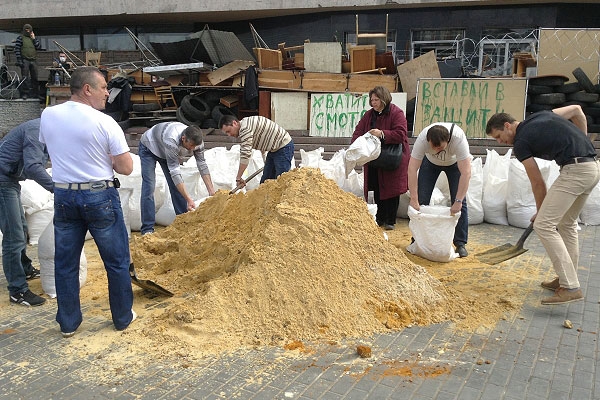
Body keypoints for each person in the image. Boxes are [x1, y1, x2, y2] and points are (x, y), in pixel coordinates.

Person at [39, 66, 136, 337]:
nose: (107, 92)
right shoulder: (104, 122)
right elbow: (126, 167)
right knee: (116, 261)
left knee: (66, 263)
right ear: (87, 89)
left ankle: (68, 323)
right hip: (99, 196)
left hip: (63, 196)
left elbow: (53, 147)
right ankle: (122, 317)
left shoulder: (48, 114)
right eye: (104, 87)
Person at [486, 105, 600, 305]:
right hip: (591, 167)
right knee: (566, 224)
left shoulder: (520, 143)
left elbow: (537, 182)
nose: (500, 142)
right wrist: (581, 139)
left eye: (498, 136)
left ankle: (570, 287)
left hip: (575, 171)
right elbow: (576, 110)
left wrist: (541, 211)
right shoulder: (540, 116)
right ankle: (566, 278)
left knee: (543, 225)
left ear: (507, 125)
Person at [0, 118, 53, 307]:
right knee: (14, 236)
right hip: (2, 181)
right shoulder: (37, 129)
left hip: (10, 180)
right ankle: (17, 290)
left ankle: (25, 268)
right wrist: (56, 188)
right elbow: (33, 166)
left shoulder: (47, 131)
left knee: (21, 228)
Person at [139, 121, 216, 235]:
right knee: (149, 186)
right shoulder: (171, 140)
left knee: (176, 187)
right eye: (191, 146)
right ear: (183, 138)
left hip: (166, 151)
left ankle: (182, 222)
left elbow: (202, 164)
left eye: (195, 146)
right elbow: (175, 172)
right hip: (149, 148)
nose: (192, 149)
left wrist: (212, 192)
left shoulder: (197, 142)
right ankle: (147, 229)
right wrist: (189, 199)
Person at [407, 123, 472, 257]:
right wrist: (414, 198)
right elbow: (412, 169)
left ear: (448, 140)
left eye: (440, 147)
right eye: (433, 147)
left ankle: (460, 243)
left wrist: (458, 201)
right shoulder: (422, 139)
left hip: (454, 164)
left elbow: (466, 173)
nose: (436, 150)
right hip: (430, 163)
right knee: (421, 199)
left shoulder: (458, 139)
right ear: (428, 140)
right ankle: (417, 240)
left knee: (460, 202)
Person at [352, 86, 409, 230]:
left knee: (391, 188)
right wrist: (355, 145)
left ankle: (390, 220)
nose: (373, 102)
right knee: (376, 186)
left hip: (391, 158)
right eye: (371, 100)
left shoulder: (397, 113)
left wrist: (382, 133)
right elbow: (359, 130)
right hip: (374, 158)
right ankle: (379, 218)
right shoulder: (369, 115)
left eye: (376, 99)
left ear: (384, 99)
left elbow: (401, 134)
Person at [219, 115, 294, 187]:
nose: (229, 135)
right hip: (274, 150)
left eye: (229, 131)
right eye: (226, 133)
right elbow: (262, 139)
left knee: (281, 180)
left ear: (234, 123)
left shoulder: (245, 129)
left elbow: (245, 156)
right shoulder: (246, 124)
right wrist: (265, 161)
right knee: (265, 182)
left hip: (283, 147)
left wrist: (238, 178)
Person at [14, 23, 41, 99]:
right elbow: (17, 49)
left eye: (29, 29)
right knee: (25, 78)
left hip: (33, 60)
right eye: (26, 29)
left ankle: (36, 93)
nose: (28, 31)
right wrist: (19, 60)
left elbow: (38, 47)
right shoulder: (20, 38)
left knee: (35, 78)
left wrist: (34, 39)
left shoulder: (33, 38)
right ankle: (25, 94)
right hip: (24, 60)